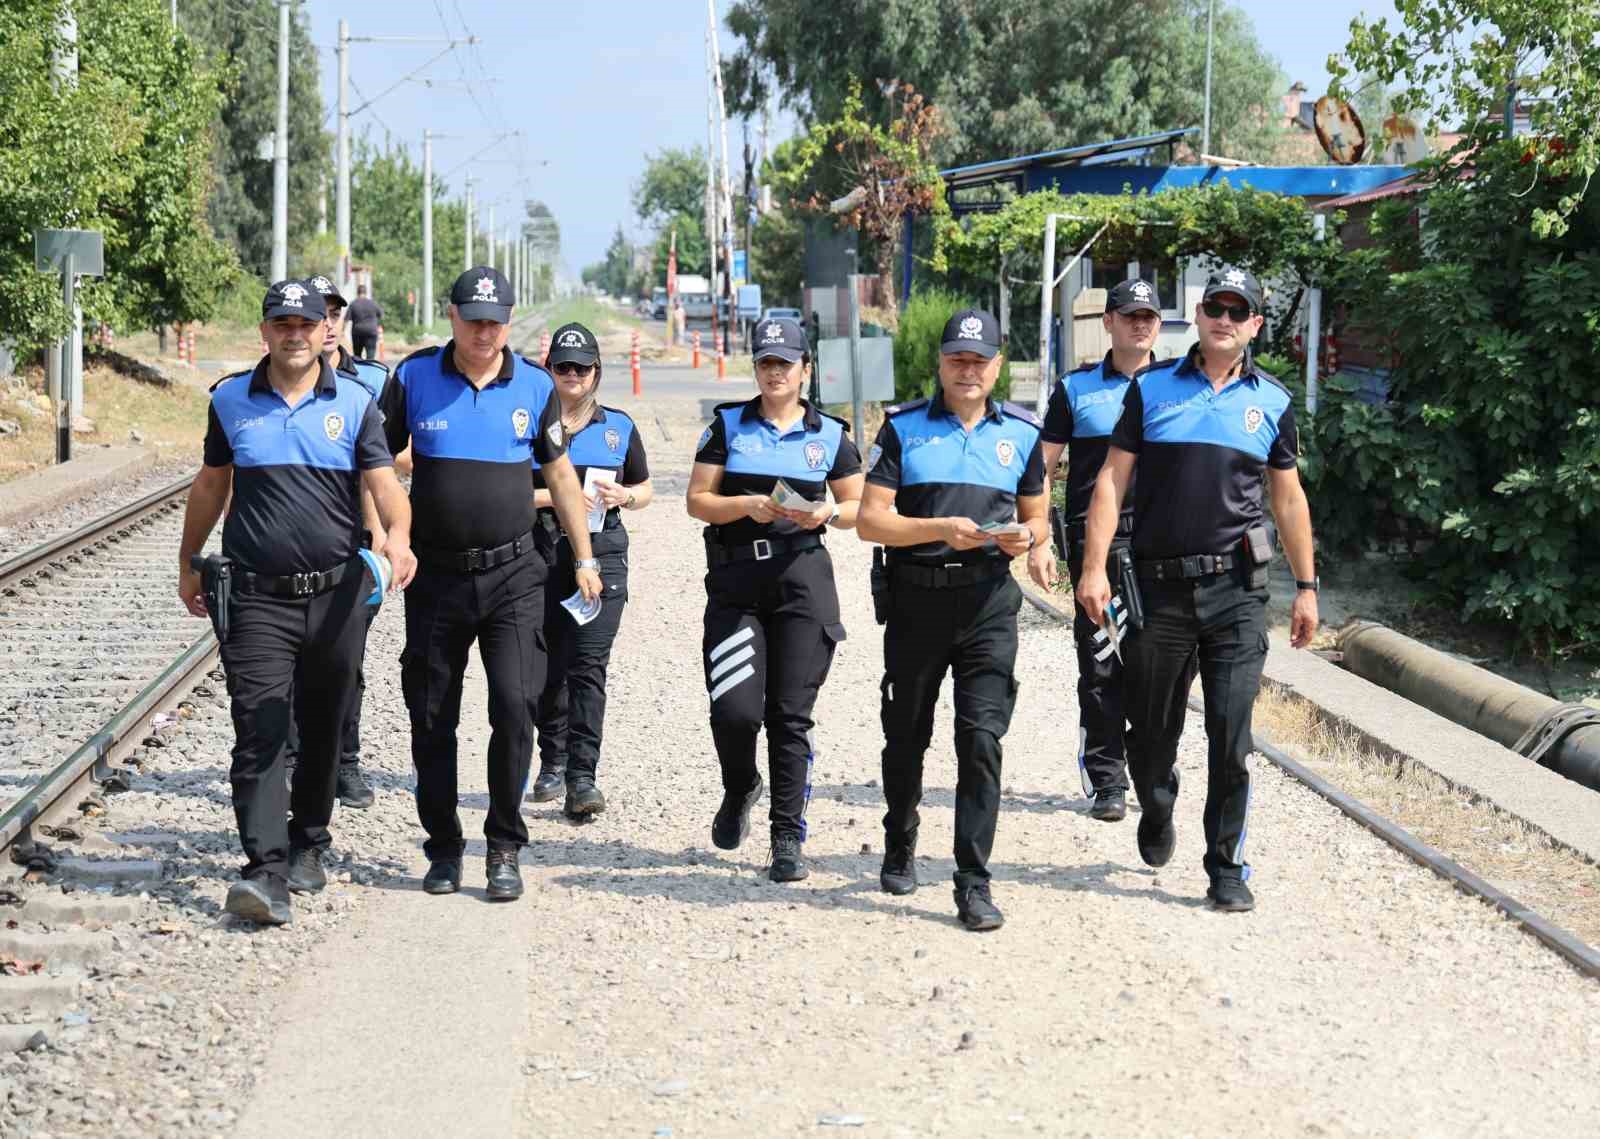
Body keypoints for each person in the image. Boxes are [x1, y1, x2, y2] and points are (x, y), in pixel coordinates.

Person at [1076, 267, 1320, 913]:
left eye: (1240, 311)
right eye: (1216, 306)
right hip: (1158, 593)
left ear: (1255, 326)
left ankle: (1226, 866)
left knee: (1231, 734)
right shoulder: (1151, 389)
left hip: (1238, 593)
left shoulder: (1271, 403)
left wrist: (1306, 586)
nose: (1225, 319)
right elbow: (1109, 480)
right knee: (1151, 735)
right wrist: (1094, 566)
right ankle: (1155, 803)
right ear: (1200, 312)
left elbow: (1288, 500)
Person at [178, 279, 417, 926]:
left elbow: (384, 483)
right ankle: (264, 870)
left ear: (323, 331)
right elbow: (209, 485)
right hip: (255, 596)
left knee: (320, 725)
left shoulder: (357, 403)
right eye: (281, 323)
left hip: (334, 596)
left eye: (305, 324)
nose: (294, 333)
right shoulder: (231, 400)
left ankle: (310, 838)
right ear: (264, 331)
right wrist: (189, 559)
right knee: (259, 728)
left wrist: (397, 537)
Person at [380, 267, 601, 902]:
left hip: (513, 577)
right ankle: (444, 848)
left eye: (495, 320)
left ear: (508, 320)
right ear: (452, 316)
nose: (485, 331)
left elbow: (560, 478)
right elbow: (376, 462)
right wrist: (385, 539)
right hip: (436, 578)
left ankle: (504, 845)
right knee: (431, 717)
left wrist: (584, 557)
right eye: (473, 319)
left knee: (514, 707)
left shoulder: (534, 386)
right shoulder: (414, 379)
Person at [857, 308, 1046, 932]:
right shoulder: (904, 429)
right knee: (907, 735)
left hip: (989, 603)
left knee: (982, 739)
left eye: (980, 360)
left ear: (997, 367)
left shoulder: (1021, 433)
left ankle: (973, 881)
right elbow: (870, 521)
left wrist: (1028, 539)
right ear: (939, 363)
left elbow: (1037, 516)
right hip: (917, 600)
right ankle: (901, 834)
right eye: (957, 359)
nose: (968, 369)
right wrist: (941, 529)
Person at [687, 316, 863, 883]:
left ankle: (787, 837)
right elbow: (697, 500)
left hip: (802, 583)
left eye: (785, 364)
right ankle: (741, 785)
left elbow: (862, 508)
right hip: (737, 584)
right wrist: (745, 506)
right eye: (766, 363)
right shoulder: (727, 426)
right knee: (736, 712)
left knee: (790, 716)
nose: (775, 372)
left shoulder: (830, 435)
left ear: (805, 370)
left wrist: (827, 513)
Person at [1029, 279, 1170, 823]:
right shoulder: (1076, 389)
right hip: (1100, 552)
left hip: (1163, 549)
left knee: (1159, 671)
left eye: (1149, 316)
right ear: (1108, 321)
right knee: (1103, 665)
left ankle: (1153, 769)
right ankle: (1107, 779)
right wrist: (1038, 536)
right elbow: (1038, 470)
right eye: (1130, 315)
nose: (1140, 324)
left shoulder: (1176, 386)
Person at [527, 323, 653, 815]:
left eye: (582, 367)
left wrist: (626, 496)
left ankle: (582, 777)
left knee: (587, 666)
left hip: (603, 559)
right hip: (538, 553)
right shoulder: (530, 426)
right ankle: (551, 759)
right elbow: (506, 490)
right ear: (549, 370)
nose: (572, 375)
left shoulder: (618, 427)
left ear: (596, 372)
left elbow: (644, 489)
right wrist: (559, 496)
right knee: (543, 666)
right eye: (563, 367)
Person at [346, 284, 382, 360]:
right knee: (370, 355)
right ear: (366, 292)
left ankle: (359, 370)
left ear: (357, 292)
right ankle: (370, 369)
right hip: (371, 331)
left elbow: (346, 319)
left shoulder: (353, 304)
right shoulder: (373, 303)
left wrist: (342, 332)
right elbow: (380, 314)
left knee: (357, 356)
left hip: (357, 332)